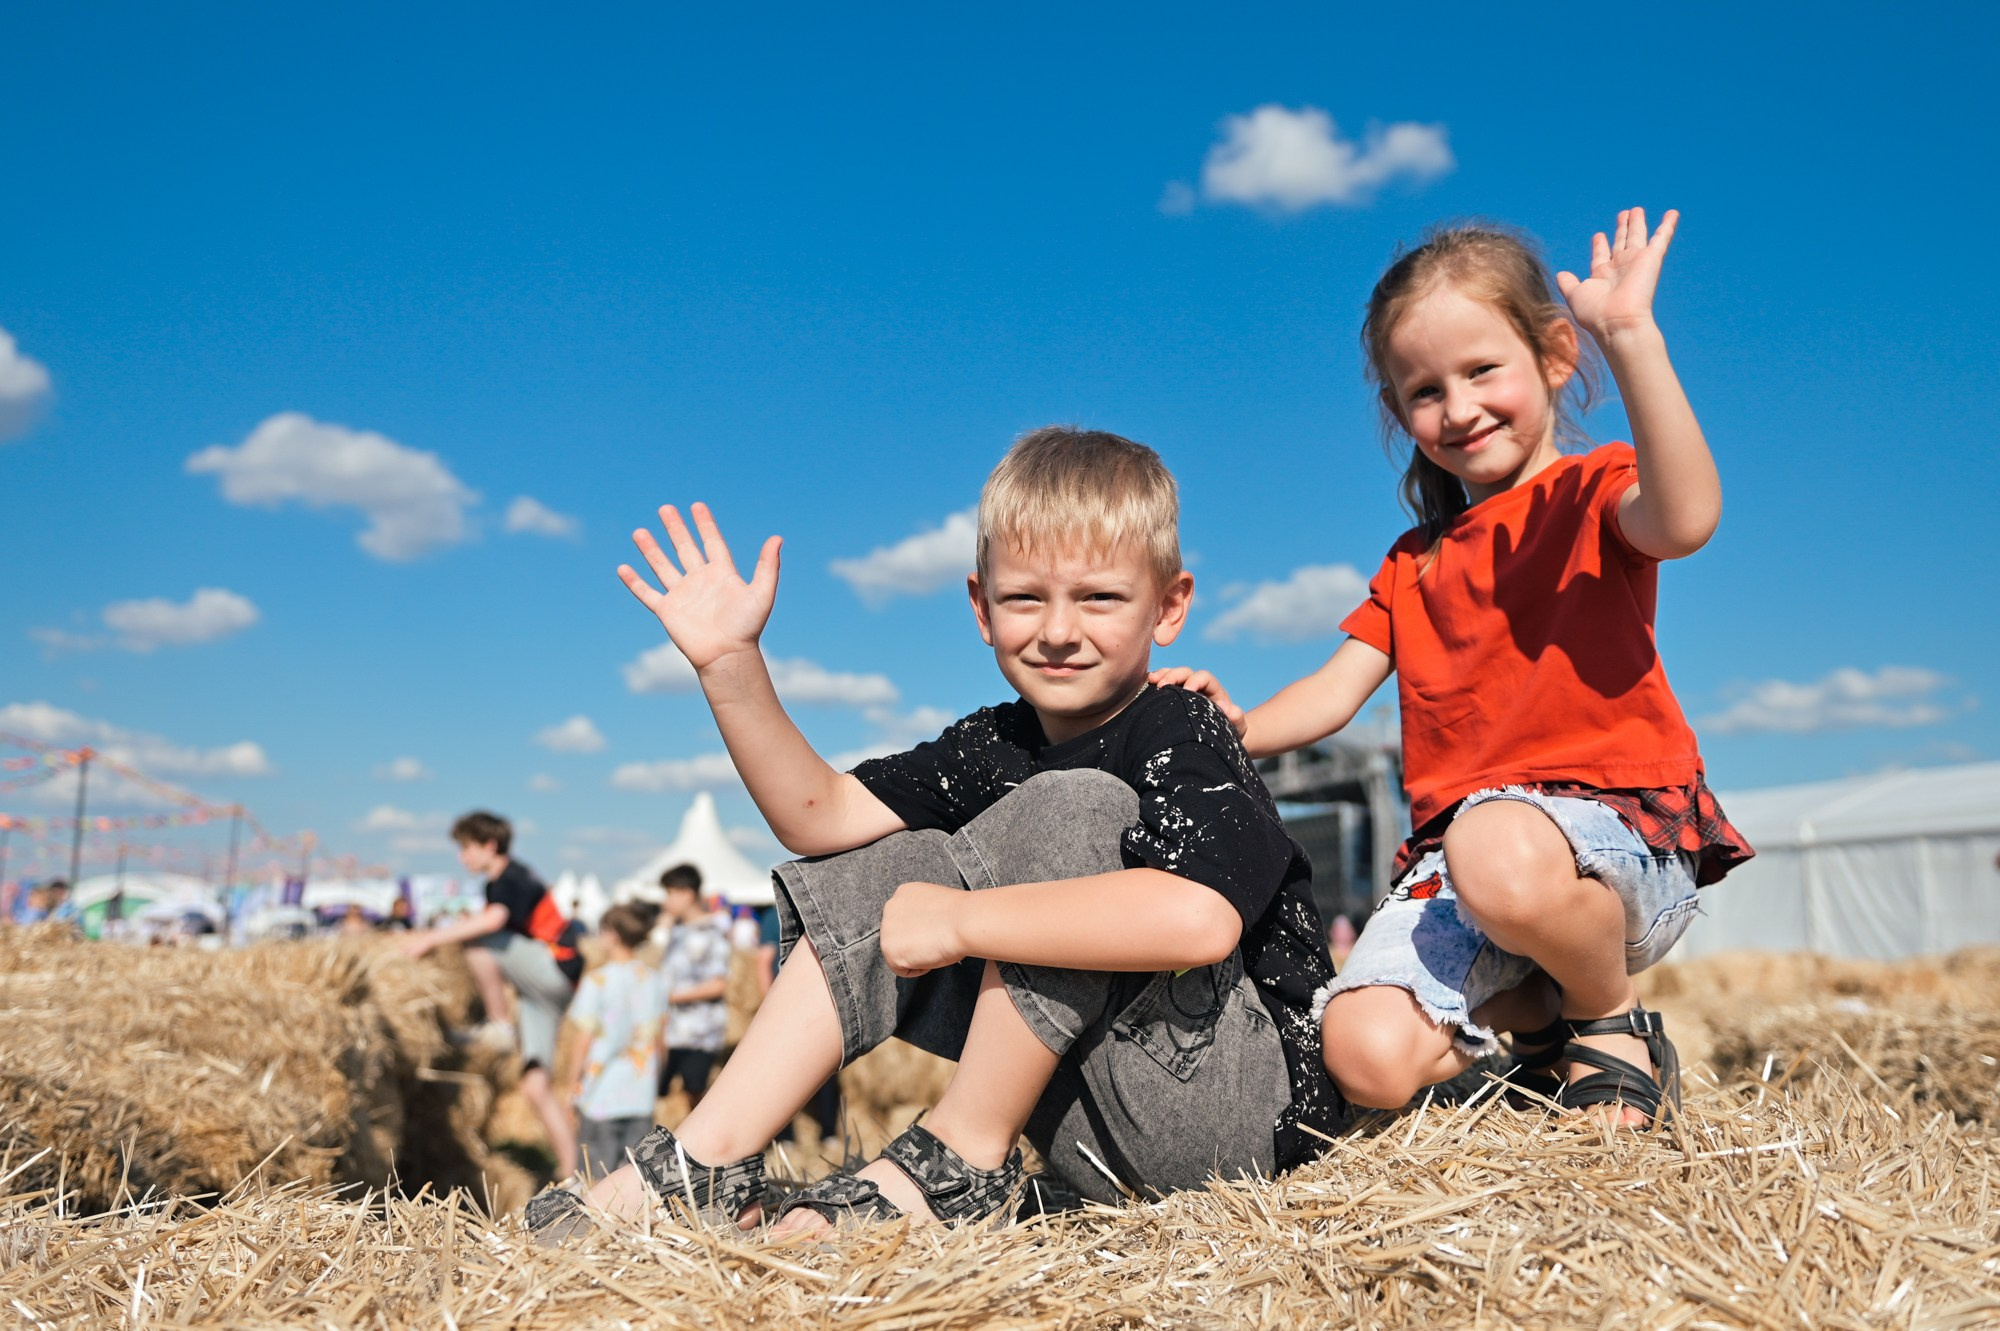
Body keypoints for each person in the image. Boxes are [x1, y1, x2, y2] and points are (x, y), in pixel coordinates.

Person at [526, 426, 1340, 1242]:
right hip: (1091, 1132)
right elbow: (823, 817)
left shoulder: (1180, 723)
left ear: (1168, 606)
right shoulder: (992, 744)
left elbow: (1200, 919)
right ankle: (703, 1160)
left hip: (1235, 1119)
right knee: (900, 857)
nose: (1058, 629)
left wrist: (956, 921)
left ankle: (960, 1160)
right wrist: (731, 664)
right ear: (981, 608)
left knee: (1074, 806)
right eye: (1025, 598)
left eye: (1099, 598)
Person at [1157, 210, 1753, 1127]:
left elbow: (1687, 517)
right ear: (1402, 414)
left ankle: (1608, 1020)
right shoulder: (1415, 562)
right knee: (1362, 1055)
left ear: (1557, 356)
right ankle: (1541, 1024)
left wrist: (1630, 338)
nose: (1460, 406)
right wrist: (1236, 725)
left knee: (1494, 845)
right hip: (1472, 864)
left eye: (1483, 370)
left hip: (1617, 843)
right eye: (1425, 390)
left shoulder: (1592, 493)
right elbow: (1332, 690)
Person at [402, 811, 585, 1177]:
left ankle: (499, 1024)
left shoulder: (511, 876)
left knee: (477, 941)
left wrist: (431, 938)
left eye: (466, 848)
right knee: (535, 1086)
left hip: (555, 967)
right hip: (540, 992)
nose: (462, 857)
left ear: (490, 845)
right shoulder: (501, 881)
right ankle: (573, 1174)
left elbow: (493, 922)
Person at [559, 904, 665, 1180]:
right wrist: (659, 1076)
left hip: (601, 1093)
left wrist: (572, 1085)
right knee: (635, 1177)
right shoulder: (653, 979)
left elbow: (584, 1039)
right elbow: (660, 1035)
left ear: (612, 935)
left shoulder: (598, 980)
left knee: (595, 1177)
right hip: (640, 1091)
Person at [652, 865, 731, 1108]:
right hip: (674, 1032)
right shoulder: (676, 932)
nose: (666, 902)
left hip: (700, 1033)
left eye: (670, 893)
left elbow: (718, 985)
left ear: (687, 893)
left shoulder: (713, 931)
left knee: (695, 1093)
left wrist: (672, 997)